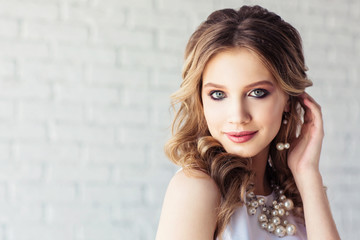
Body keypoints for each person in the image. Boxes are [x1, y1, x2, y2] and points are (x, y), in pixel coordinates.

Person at [156, 5, 340, 240]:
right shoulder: (196, 189)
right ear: (201, 99)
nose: (238, 116)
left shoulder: (292, 193)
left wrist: (307, 173)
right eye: (218, 95)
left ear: (288, 98)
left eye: (257, 93)